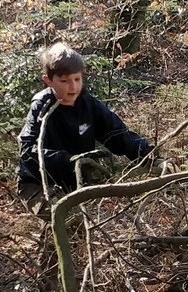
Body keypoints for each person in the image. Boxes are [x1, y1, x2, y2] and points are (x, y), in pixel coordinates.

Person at [15, 42, 153, 203]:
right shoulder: (41, 107)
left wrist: (148, 154)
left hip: (77, 183)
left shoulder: (89, 105)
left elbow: (118, 135)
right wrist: (66, 160)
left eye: (77, 79)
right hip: (37, 184)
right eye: (64, 81)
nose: (73, 86)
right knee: (69, 219)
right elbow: (27, 150)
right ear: (49, 81)